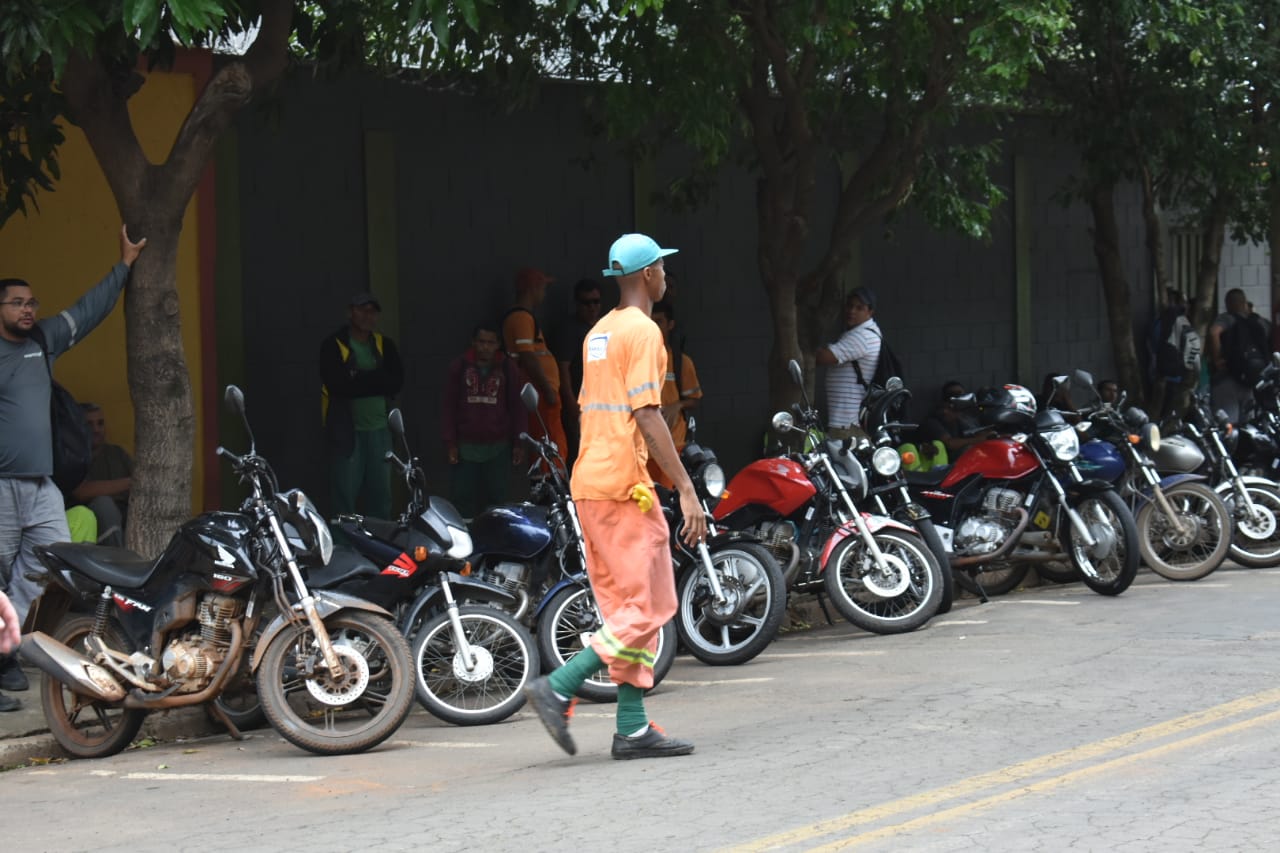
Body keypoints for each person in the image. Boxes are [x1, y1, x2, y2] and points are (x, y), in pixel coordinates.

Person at [523, 233, 707, 760]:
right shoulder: (644, 331)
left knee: (628, 609)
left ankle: (631, 728)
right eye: (663, 269)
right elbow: (648, 414)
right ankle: (560, 685)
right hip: (626, 488)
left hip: (591, 483)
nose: (666, 277)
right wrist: (688, 489)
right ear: (649, 275)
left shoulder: (597, 332)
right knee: (651, 605)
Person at [0, 223, 146, 712]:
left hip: (40, 486)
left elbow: (86, 311)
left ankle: (6, 651)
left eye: (31, 303)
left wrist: (123, 266)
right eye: (17, 303)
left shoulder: (43, 341)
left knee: (46, 567)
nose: (28, 310)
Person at [320, 292, 403, 522]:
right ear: (350, 312)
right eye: (361, 309)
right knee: (344, 494)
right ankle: (344, 546)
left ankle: (379, 543)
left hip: (380, 430)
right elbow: (338, 385)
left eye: (372, 311)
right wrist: (376, 380)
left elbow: (396, 381)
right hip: (347, 432)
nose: (367, 315)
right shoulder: (333, 345)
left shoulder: (384, 345)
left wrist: (358, 378)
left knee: (381, 494)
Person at [441, 324, 527, 518]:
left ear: (497, 344)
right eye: (481, 342)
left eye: (490, 343)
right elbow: (449, 407)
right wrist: (450, 443)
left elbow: (517, 406)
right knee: (462, 498)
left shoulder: (507, 367)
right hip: (466, 445)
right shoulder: (460, 367)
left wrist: (518, 442)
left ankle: (494, 543)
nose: (485, 347)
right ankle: (466, 542)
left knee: (497, 499)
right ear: (473, 343)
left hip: (498, 445)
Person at [503, 268, 570, 461]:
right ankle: (550, 482)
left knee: (553, 441)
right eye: (542, 288)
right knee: (549, 443)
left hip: (541, 391)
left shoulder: (525, 316)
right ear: (533, 288)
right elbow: (528, 357)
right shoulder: (521, 317)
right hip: (539, 393)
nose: (544, 293)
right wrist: (547, 389)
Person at [646, 300, 703, 488]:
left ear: (670, 325)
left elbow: (694, 400)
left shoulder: (681, 362)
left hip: (673, 445)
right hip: (643, 448)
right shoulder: (638, 359)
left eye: (659, 321)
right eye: (650, 321)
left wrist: (677, 405)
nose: (654, 327)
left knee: (670, 500)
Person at [815, 287, 881, 439]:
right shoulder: (864, 332)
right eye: (850, 306)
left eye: (859, 308)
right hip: (847, 420)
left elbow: (823, 357)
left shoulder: (862, 336)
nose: (852, 311)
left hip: (847, 423)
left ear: (870, 312)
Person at [553, 278, 602, 464]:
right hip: (579, 406)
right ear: (577, 304)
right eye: (586, 302)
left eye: (596, 302)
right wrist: (572, 405)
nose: (592, 307)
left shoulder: (604, 327)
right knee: (580, 457)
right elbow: (562, 371)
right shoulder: (568, 330)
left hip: (603, 407)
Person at [70, 402, 133, 546]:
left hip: (126, 521)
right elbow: (81, 491)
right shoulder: (73, 457)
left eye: (100, 423)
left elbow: (143, 484)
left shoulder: (117, 454)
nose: (96, 430)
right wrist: (130, 482)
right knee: (104, 504)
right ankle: (118, 560)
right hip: (90, 528)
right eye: (89, 425)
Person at [1209, 288, 1271, 424]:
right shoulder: (1259, 322)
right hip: (1251, 381)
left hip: (1227, 379)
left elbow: (1214, 332)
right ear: (1244, 304)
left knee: (1228, 427)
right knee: (1247, 427)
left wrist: (1218, 360)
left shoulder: (1227, 318)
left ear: (1228, 304)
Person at [917, 381, 992, 458]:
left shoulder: (965, 418)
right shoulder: (932, 422)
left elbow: (977, 433)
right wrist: (979, 439)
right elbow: (950, 444)